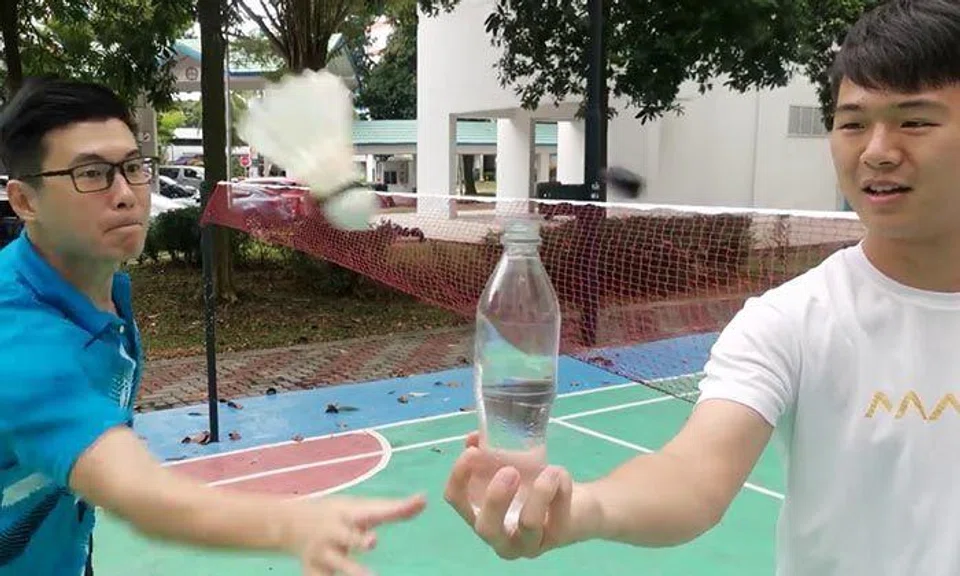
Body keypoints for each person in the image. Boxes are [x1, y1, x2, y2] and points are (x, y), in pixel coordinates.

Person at [444, 1, 960, 574]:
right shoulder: (789, 322)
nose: (877, 151)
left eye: (915, 120)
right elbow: (692, 476)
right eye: (853, 122)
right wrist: (586, 507)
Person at [0, 77, 425, 576]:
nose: (126, 194)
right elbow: (141, 495)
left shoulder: (100, 291)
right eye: (91, 174)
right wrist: (290, 525)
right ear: (25, 201)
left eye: (132, 168)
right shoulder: (19, 342)